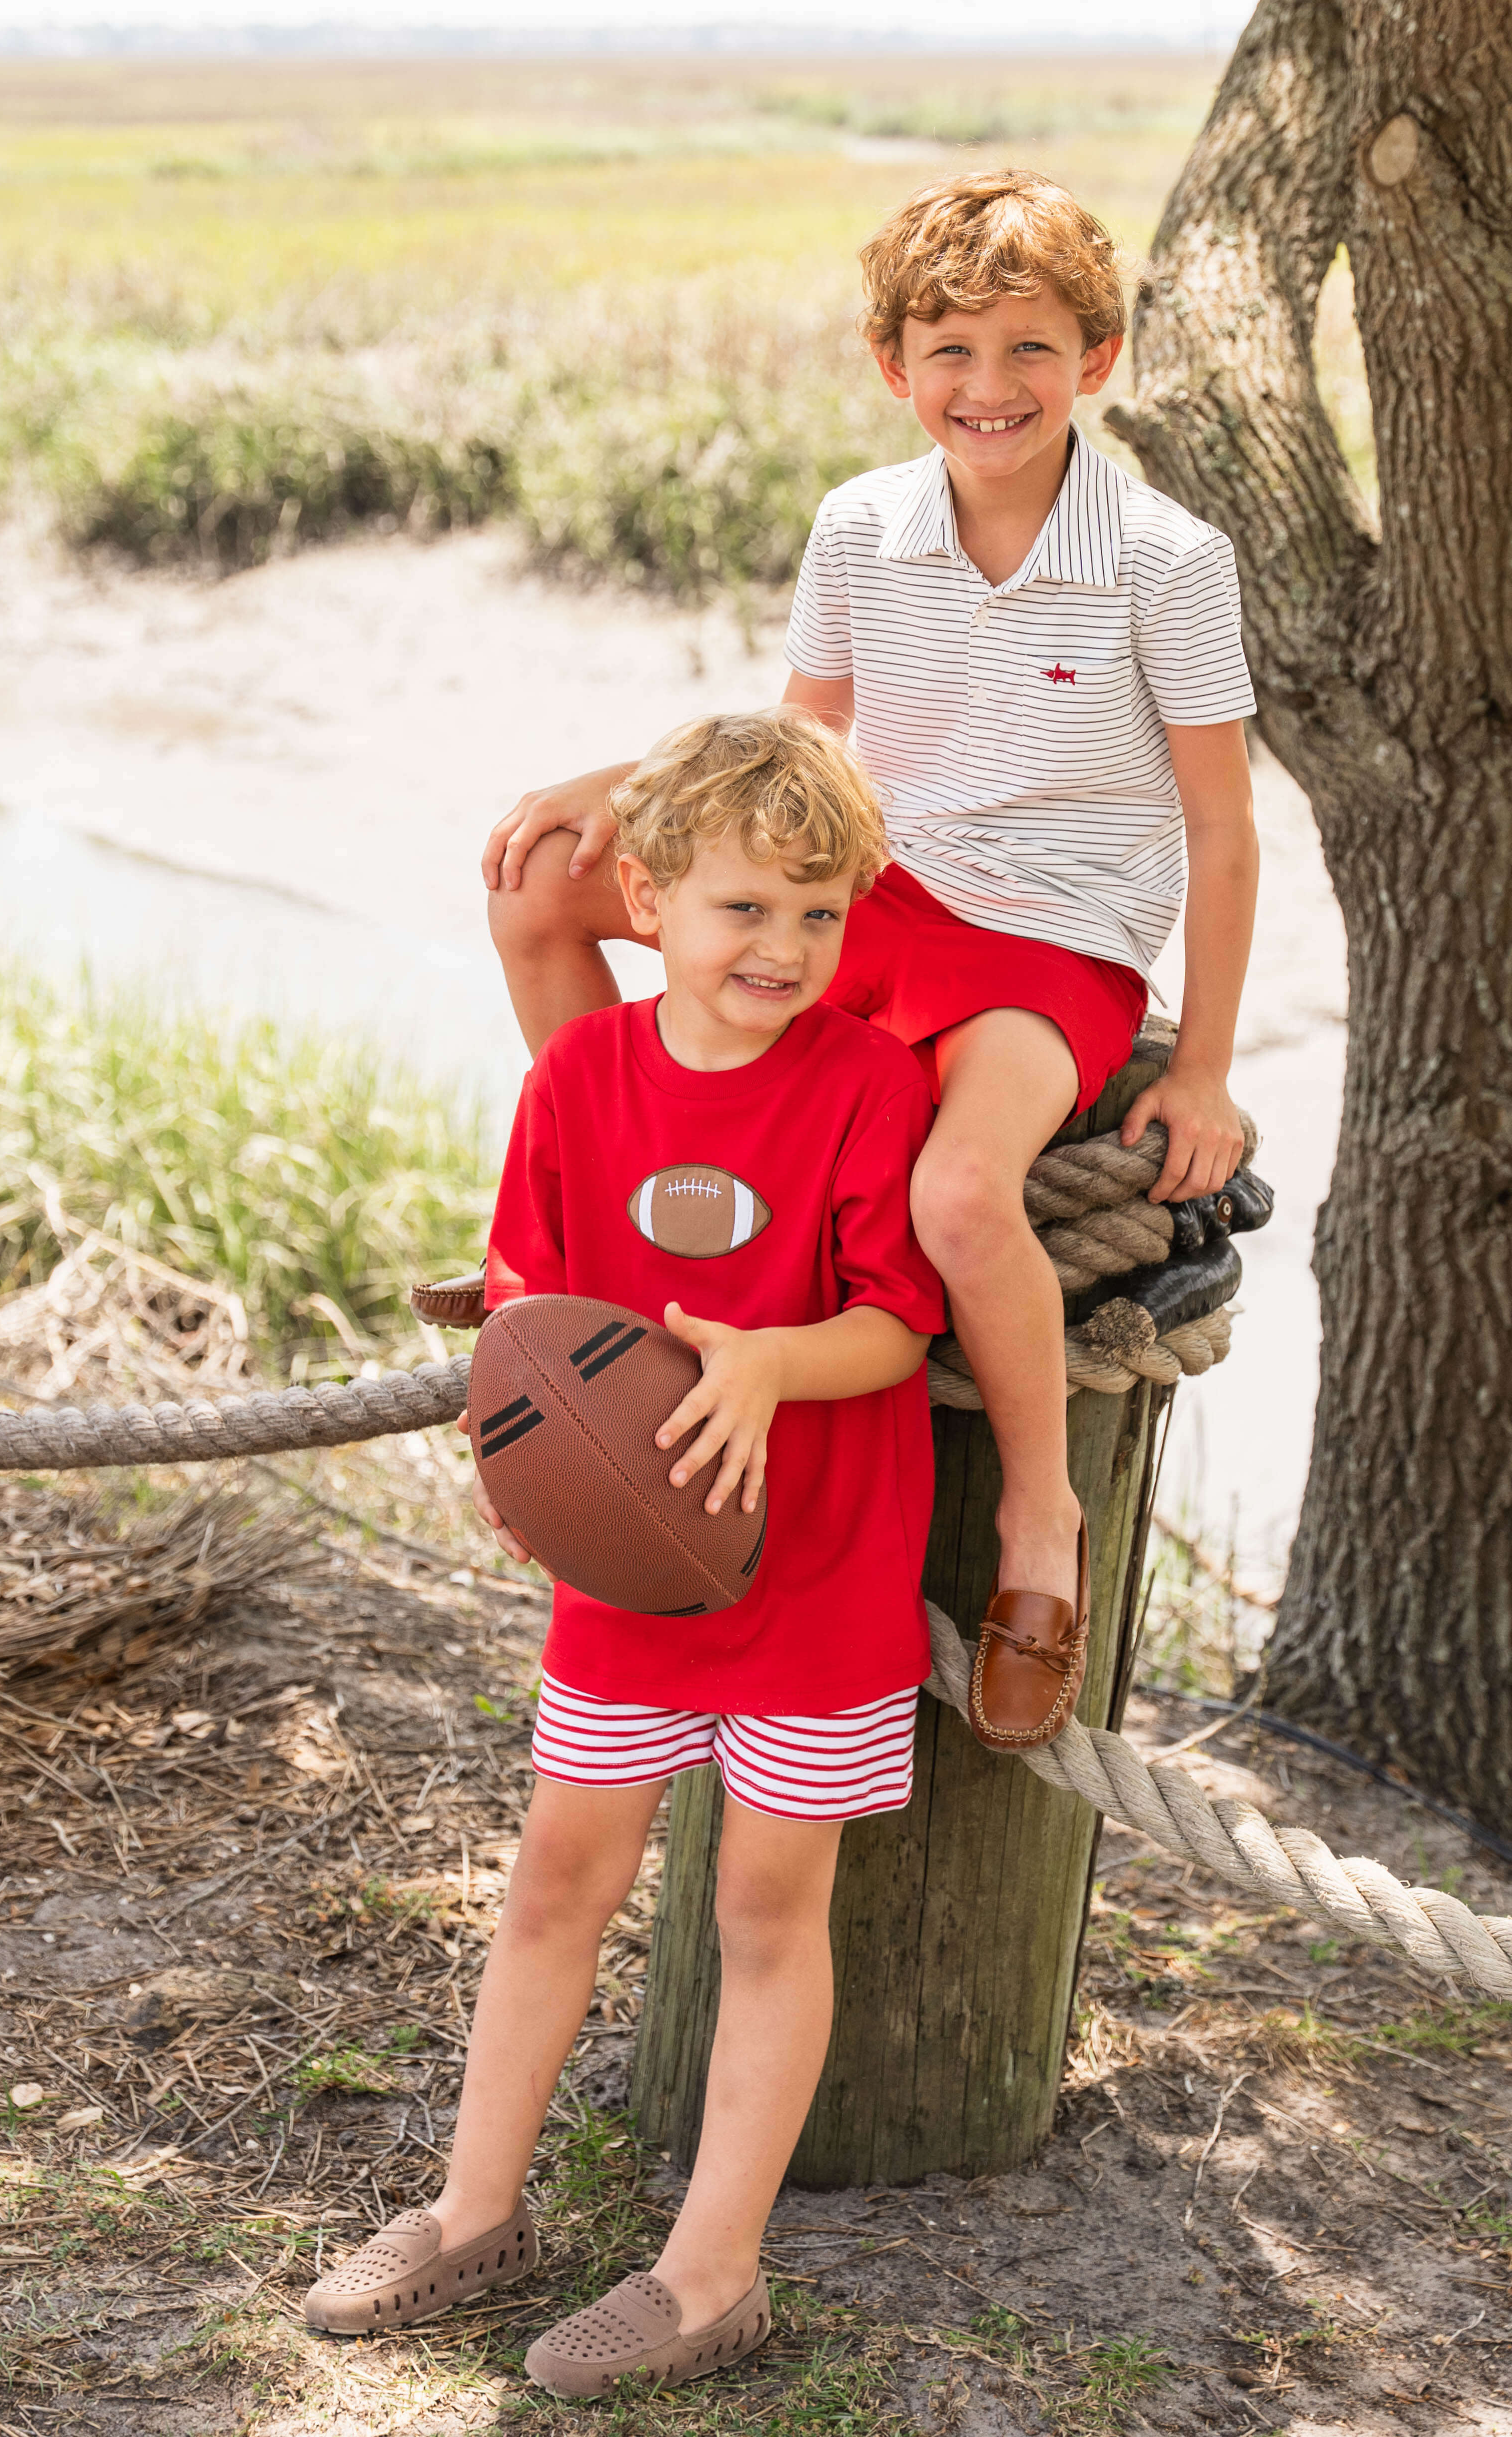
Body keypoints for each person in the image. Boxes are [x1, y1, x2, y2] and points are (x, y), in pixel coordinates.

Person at [482, 167, 1258, 1752]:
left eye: (1031, 350)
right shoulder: (861, 527)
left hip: (1057, 937)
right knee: (545, 891)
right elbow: (802, 748)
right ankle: (624, 1284)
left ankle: (1039, 1521)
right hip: (872, 887)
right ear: (893, 362)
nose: (991, 389)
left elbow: (1224, 832)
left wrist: (1205, 1067)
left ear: (1097, 361)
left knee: (962, 1197)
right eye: (953, 351)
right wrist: (628, 791)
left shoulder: (1168, 560)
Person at [305, 711, 944, 2397]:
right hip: (631, 1586)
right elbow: (535, 1300)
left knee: (764, 1908)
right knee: (554, 1888)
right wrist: (520, 1443)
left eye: (821, 917)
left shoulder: (870, 1085)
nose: (787, 950)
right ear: (649, 901)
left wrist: (767, 1359)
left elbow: (896, 1324)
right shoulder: (582, 1078)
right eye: (748, 910)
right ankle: (471, 2214)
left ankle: (710, 2272)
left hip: (813, 1577)